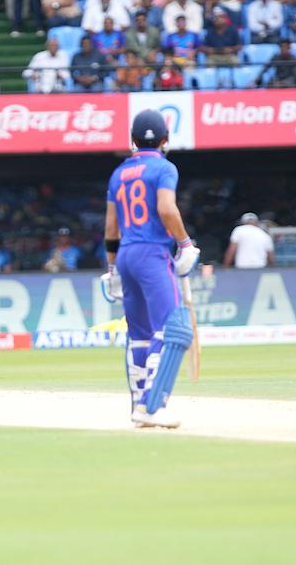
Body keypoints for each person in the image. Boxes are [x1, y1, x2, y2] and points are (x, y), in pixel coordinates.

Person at [100, 110, 200, 428]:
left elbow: (110, 230)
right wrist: (185, 244)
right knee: (173, 329)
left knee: (140, 335)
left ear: (132, 140)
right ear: (165, 140)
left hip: (126, 255)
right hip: (152, 253)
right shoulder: (164, 168)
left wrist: (113, 269)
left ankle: (137, 406)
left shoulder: (118, 174)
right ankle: (153, 405)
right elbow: (166, 208)